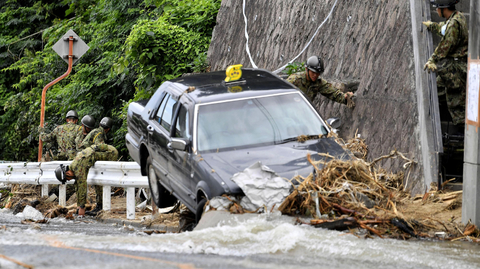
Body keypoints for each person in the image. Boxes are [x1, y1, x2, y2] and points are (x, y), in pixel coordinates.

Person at [423, 0, 468, 126]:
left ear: (444, 8)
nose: (436, 11)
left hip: (457, 70)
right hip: (455, 67)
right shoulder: (458, 16)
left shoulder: (454, 24)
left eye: (437, 8)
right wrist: (431, 25)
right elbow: (444, 29)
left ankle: (465, 139)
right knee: (436, 91)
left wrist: (432, 59)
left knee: (456, 104)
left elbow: (445, 45)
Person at [55, 144, 118, 217]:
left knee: (99, 183)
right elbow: (77, 185)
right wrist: (79, 205)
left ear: (67, 173)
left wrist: (82, 207)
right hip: (104, 153)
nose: (69, 180)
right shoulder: (74, 166)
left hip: (110, 153)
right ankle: (99, 206)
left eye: (67, 179)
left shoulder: (78, 168)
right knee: (96, 181)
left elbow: (82, 187)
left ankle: (101, 206)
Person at [287, 56, 355, 107]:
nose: (315, 75)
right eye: (313, 72)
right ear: (306, 69)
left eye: (318, 73)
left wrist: (345, 96)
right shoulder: (295, 80)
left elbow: (332, 92)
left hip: (305, 111)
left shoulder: (318, 82)